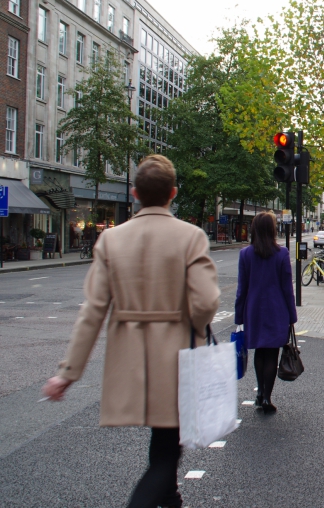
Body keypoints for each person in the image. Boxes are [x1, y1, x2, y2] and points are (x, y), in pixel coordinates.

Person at [42, 155, 220, 508]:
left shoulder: (110, 241)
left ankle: (170, 500)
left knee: (164, 443)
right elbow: (205, 303)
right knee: (168, 451)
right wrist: (195, 328)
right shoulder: (191, 237)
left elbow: (92, 312)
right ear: (173, 193)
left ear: (135, 193)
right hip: (176, 360)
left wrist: (67, 373)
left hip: (130, 362)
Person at [234, 211, 297, 415]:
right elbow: (287, 287)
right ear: (272, 229)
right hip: (276, 309)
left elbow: (241, 289)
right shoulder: (281, 253)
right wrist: (292, 315)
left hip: (253, 310)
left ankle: (260, 393)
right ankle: (267, 396)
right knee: (271, 352)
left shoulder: (245, 254)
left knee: (260, 352)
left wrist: (239, 315)